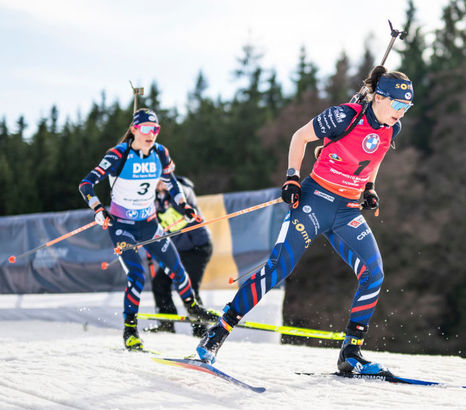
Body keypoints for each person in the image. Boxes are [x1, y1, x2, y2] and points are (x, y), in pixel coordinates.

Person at [196, 66, 414, 375]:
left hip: (347, 210)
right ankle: (216, 334)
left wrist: (369, 187)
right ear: (379, 97)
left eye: (406, 108)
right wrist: (292, 178)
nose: (401, 113)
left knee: (374, 273)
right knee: (278, 268)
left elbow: (373, 158)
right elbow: (300, 137)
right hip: (315, 201)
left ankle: (350, 354)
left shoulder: (392, 128)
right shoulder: (345, 115)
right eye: (397, 105)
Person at [78, 108, 219, 350]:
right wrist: (99, 209)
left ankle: (193, 309)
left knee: (177, 267)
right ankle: (130, 331)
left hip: (149, 225)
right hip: (123, 227)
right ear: (134, 130)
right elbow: (86, 184)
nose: (150, 134)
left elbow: (171, 182)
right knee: (137, 275)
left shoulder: (161, 153)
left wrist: (184, 206)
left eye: (155, 129)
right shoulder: (118, 155)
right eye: (145, 128)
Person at [145, 176, 213, 337]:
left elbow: (186, 196)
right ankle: (166, 324)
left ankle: (201, 330)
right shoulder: (153, 199)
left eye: (161, 179)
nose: (157, 183)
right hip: (178, 250)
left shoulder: (180, 190)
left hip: (197, 248)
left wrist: (172, 189)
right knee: (160, 284)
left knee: (189, 288)